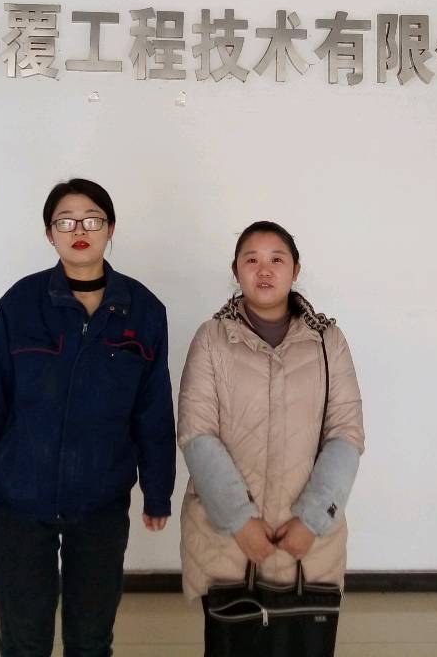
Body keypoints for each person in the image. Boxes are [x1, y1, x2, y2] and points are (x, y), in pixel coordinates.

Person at [0, 178, 176, 657]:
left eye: (92, 220)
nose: (79, 230)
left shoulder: (143, 311)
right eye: (66, 221)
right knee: (23, 642)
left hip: (100, 505)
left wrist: (158, 491)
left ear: (110, 229)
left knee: (91, 641)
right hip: (20, 502)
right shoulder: (20, 304)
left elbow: (154, 412)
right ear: (49, 233)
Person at [177, 221, 365, 653]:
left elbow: (346, 434)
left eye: (276, 259)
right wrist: (239, 519)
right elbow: (196, 433)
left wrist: (312, 518)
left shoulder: (328, 342)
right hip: (227, 540)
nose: (264, 270)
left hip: (309, 544)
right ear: (236, 271)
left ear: (295, 270)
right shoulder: (211, 339)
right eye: (252, 260)